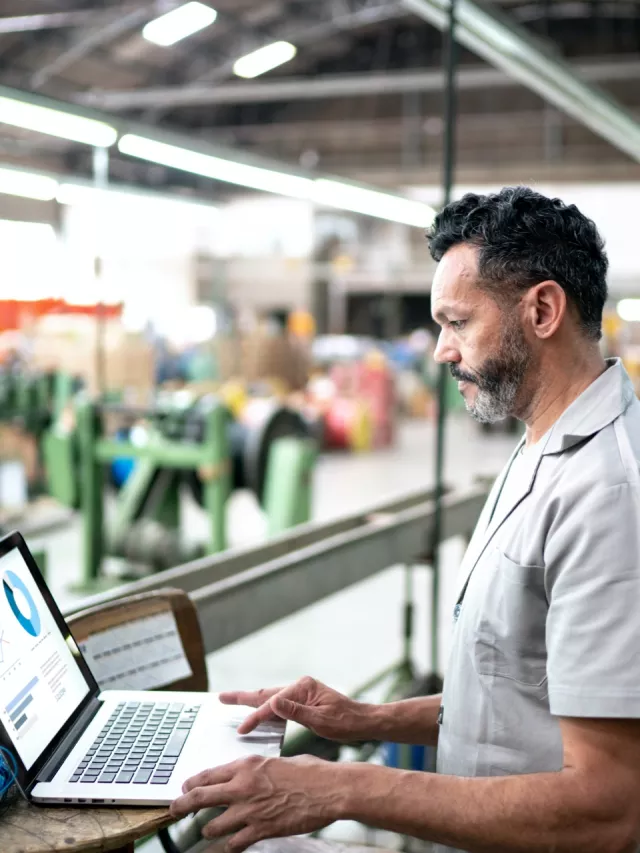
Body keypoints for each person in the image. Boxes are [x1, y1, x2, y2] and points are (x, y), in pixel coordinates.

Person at [170, 187, 640, 853]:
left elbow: (608, 808)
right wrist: (364, 717)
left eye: (457, 322)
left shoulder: (610, 492)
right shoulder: (544, 440)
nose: (442, 351)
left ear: (541, 309)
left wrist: (340, 788)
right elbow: (519, 701)